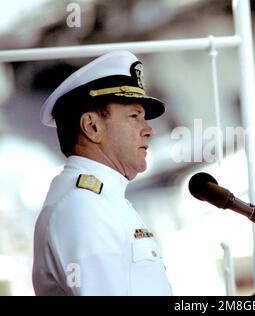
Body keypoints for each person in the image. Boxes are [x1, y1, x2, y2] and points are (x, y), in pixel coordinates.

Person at [32, 50, 172, 296]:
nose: (149, 129)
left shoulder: (102, 200)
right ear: (92, 126)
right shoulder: (82, 206)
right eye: (134, 116)